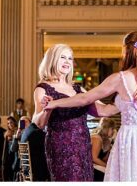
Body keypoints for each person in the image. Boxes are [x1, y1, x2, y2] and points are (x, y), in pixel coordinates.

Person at [45, 31, 137, 181]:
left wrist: (54, 103)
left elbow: (85, 99)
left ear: (127, 51)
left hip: (132, 138)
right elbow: (112, 109)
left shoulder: (121, 78)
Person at [33, 44, 118, 181]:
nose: (67, 61)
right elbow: (39, 123)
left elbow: (103, 110)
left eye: (70, 58)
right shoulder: (43, 88)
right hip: (61, 148)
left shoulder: (78, 89)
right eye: (62, 57)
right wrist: (48, 108)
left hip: (83, 146)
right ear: (52, 59)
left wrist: (127, 99)